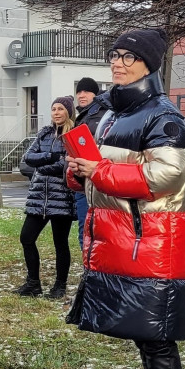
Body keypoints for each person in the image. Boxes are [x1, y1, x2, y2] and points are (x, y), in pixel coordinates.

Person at [66, 28, 185, 369]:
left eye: (128, 56)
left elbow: (163, 177)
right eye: (113, 54)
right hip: (129, 239)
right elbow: (108, 169)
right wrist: (79, 172)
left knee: (157, 338)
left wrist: (98, 171)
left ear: (149, 63)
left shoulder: (165, 117)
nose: (117, 62)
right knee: (145, 335)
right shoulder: (112, 112)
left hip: (158, 243)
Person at [14, 95, 77, 299]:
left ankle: (60, 286)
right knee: (26, 237)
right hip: (39, 196)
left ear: (68, 112)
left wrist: (44, 166)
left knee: (60, 243)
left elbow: (67, 164)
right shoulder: (44, 133)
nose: (56, 112)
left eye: (60, 109)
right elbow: (28, 158)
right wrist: (50, 158)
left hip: (62, 196)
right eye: (53, 109)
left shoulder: (74, 135)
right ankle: (33, 283)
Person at [71, 77, 106, 245]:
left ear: (95, 94)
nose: (81, 95)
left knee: (90, 233)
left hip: (95, 180)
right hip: (82, 181)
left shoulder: (103, 114)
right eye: (79, 91)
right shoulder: (82, 116)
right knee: (84, 232)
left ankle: (90, 269)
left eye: (86, 91)